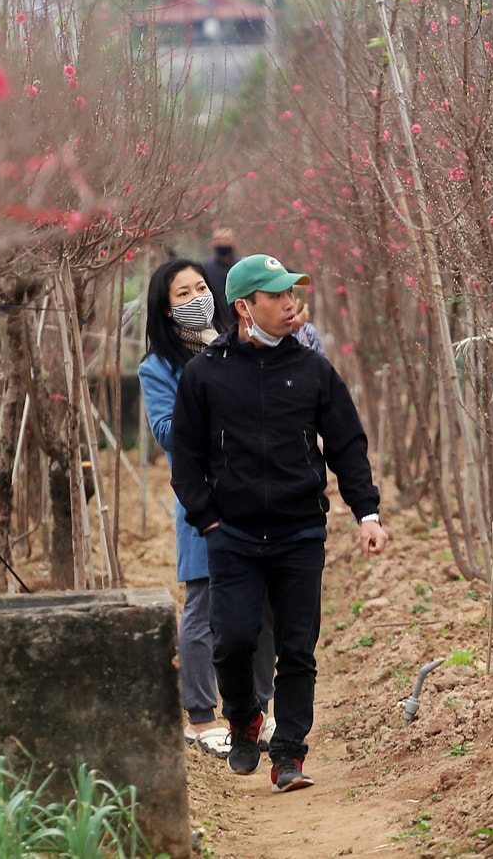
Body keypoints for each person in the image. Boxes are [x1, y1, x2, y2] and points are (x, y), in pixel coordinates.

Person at [170, 253, 388, 790]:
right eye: (277, 296)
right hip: (234, 534)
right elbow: (186, 458)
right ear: (245, 306)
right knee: (234, 640)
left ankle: (288, 752)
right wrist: (210, 520)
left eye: (293, 293)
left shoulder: (312, 370)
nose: (291, 303)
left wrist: (367, 512)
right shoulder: (205, 375)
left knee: (296, 647)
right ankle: (244, 720)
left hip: (300, 531)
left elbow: (346, 443)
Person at [138, 258, 277, 758]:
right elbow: (166, 433)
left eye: (201, 287)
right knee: (203, 605)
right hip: (203, 499)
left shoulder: (237, 346)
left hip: (254, 495)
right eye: (182, 293)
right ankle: (200, 717)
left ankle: (261, 709)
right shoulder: (158, 367)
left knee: (261, 607)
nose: (196, 297)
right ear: (165, 307)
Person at [202, 228, 238, 318]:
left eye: (226, 240)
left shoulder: (241, 267)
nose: (222, 244)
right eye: (219, 240)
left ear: (233, 242)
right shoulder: (205, 268)